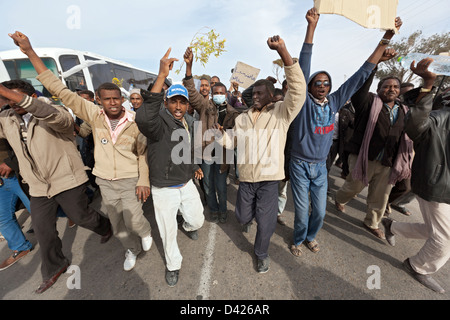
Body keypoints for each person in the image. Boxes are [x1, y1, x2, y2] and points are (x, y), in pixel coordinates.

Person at [11, 31, 153, 272]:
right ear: (98, 100)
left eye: (117, 99)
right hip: (105, 181)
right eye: (107, 99)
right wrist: (30, 52)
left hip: (130, 180)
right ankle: (132, 249)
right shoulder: (93, 116)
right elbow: (60, 89)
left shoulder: (135, 121)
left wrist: (143, 181)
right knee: (117, 226)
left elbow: (142, 154)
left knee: (135, 220)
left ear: (122, 99)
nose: (113, 103)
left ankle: (144, 232)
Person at [288, 8, 402, 256]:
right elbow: (303, 67)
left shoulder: (335, 102)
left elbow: (361, 74)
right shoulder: (303, 104)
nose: (322, 86)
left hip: (320, 167)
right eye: (316, 83)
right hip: (299, 164)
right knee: (301, 207)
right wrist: (311, 28)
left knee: (318, 210)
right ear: (309, 87)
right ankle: (297, 239)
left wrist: (385, 40)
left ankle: (311, 236)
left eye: (326, 83)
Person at [0, 75, 112, 294]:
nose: (13, 103)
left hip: (66, 178)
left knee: (81, 216)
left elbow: (60, 120)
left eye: (17, 98)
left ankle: (105, 226)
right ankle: (55, 266)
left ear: (32, 97)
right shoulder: (8, 118)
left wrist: (8, 93)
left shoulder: (53, 110)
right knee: (43, 230)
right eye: (9, 99)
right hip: (38, 187)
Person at [214, 35, 306, 273]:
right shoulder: (243, 118)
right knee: (243, 217)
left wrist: (283, 51)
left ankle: (261, 253)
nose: (255, 96)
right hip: (245, 179)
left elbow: (297, 89)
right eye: (253, 93)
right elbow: (233, 141)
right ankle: (248, 218)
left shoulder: (281, 113)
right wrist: (219, 136)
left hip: (268, 181)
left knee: (266, 224)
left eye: (260, 93)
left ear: (271, 95)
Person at [135, 48, 205, 287]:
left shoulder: (187, 122)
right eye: (173, 101)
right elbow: (144, 119)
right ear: (165, 103)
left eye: (182, 102)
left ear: (187, 106)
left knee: (197, 221)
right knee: (167, 232)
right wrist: (161, 76)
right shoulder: (159, 122)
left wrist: (194, 165)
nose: (178, 106)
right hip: (163, 187)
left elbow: (185, 150)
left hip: (186, 182)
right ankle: (173, 265)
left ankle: (186, 223)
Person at [382, 58, 450, 294]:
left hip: (445, 188)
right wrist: (428, 83)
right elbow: (416, 126)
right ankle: (418, 266)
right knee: (445, 238)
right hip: (435, 185)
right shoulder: (439, 118)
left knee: (437, 230)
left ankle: (392, 226)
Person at [335, 50, 413, 240]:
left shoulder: (405, 110)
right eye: (387, 86)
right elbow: (360, 89)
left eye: (395, 86)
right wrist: (375, 64)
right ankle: (339, 199)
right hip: (364, 156)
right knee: (354, 187)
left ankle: (372, 222)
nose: (391, 89)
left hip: (388, 161)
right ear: (379, 89)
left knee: (381, 196)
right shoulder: (369, 102)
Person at [183, 48, 240, 224]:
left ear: (226, 95)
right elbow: (192, 92)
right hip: (206, 153)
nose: (218, 95)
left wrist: (223, 132)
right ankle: (213, 209)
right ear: (212, 94)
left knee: (221, 186)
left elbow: (235, 137)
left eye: (222, 93)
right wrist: (189, 68)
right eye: (216, 93)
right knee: (207, 184)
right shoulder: (205, 106)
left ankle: (223, 210)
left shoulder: (232, 113)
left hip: (223, 155)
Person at [0, 137, 33, 271]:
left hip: (19, 173)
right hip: (2, 180)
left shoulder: (5, 116)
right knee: (2, 217)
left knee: (38, 209)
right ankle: (20, 247)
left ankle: (74, 213)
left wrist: (12, 163)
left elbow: (24, 139)